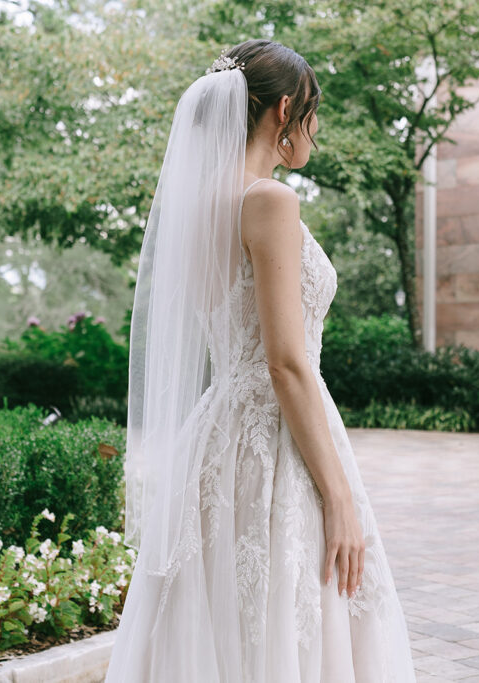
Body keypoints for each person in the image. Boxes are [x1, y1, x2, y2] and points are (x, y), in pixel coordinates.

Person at [105, 40, 415, 682]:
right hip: (276, 437)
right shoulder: (269, 202)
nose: (316, 134)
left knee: (224, 621)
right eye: (313, 116)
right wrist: (340, 499)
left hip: (217, 436)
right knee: (292, 611)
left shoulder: (196, 211)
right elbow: (285, 363)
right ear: (283, 113)